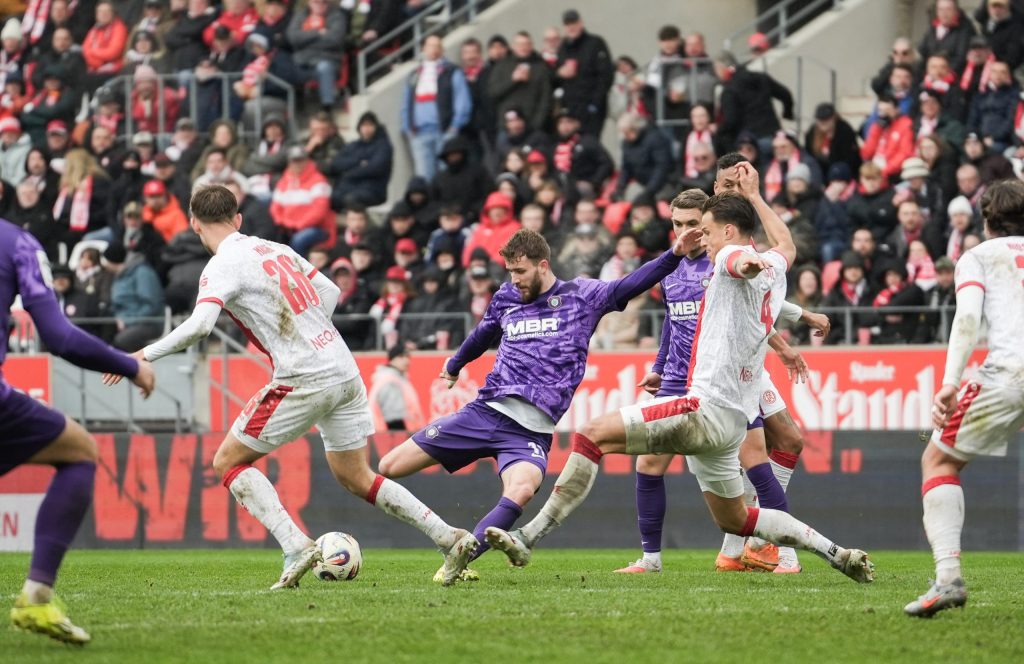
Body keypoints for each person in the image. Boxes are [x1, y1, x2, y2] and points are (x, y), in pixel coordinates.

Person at [484, 165, 874, 585]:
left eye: (706, 230)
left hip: (702, 407)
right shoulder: (774, 267)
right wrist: (756, 200)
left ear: (727, 231)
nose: (701, 239)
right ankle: (837, 554)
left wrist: (746, 260)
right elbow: (786, 244)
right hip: (730, 421)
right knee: (738, 519)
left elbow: (739, 260)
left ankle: (528, 536)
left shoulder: (726, 259)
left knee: (590, 435)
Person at [104, 185, 479, 587]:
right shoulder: (275, 248)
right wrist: (312, 334)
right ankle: (449, 536)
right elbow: (330, 291)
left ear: (194, 223)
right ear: (238, 219)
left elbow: (200, 326)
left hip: (304, 375)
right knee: (356, 476)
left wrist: (142, 355)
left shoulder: (221, 265)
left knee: (227, 462)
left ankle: (295, 545)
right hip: (343, 367)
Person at [377, 226, 699, 582]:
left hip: (531, 431)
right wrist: (455, 364)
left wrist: (674, 254)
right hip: (486, 412)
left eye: (520, 271)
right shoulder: (506, 297)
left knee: (523, 489)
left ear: (543, 265)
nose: (513, 279)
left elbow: (631, 284)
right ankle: (446, 535)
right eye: (510, 271)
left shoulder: (582, 296)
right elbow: (483, 333)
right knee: (390, 465)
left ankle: (460, 557)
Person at [1, 219, 154, 645]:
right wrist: (129, 365)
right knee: (79, 450)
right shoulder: (17, 243)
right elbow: (59, 337)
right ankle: (36, 597)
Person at [905, 178, 1024, 617]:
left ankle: (948, 579)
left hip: (1010, 372)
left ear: (986, 220)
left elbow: (968, 319)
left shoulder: (978, 256)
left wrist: (950, 381)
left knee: (938, 461)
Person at [401, 34, 472, 181]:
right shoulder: (415, 74)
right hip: (419, 134)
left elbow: (462, 101)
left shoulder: (451, 71)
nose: (434, 49)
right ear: (423, 49)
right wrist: (408, 129)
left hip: (444, 132)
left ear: (442, 49)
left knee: (447, 176)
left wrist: (454, 127)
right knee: (424, 178)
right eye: (430, 46)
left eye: (437, 46)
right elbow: (406, 104)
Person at [555, 10, 614, 136]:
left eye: (574, 23)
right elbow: (555, 78)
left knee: (589, 142)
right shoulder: (563, 48)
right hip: (571, 108)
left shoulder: (595, 43)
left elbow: (605, 75)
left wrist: (595, 104)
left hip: (591, 106)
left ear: (581, 23)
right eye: (567, 24)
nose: (571, 27)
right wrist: (559, 74)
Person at [269, 145, 334, 258]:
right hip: (288, 227)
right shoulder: (284, 181)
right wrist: (282, 223)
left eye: (300, 160)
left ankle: (297, 268)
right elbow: (275, 208)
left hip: (317, 228)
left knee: (299, 240)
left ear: (306, 160)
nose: (297, 164)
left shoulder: (318, 180)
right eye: (294, 160)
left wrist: (298, 225)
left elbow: (319, 212)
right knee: (270, 236)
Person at [103, 243, 165, 352]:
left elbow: (151, 305)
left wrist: (127, 321)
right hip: (123, 321)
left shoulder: (143, 272)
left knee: (121, 340)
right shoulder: (119, 275)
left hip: (148, 323)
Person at [286, 0, 345, 112]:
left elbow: (334, 40)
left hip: (327, 58)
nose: (320, 5)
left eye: (324, 2)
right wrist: (317, 32)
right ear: (309, 3)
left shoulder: (336, 16)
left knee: (324, 67)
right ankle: (294, 105)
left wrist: (305, 41)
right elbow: (293, 38)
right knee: (285, 67)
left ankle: (327, 106)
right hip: (302, 60)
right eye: (316, 2)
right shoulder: (301, 16)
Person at [370, 345, 423, 431]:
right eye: (401, 356)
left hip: (390, 436)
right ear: (392, 359)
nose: (406, 360)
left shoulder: (394, 379)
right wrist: (403, 438)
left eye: (408, 357)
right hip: (392, 436)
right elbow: (394, 420)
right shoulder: (390, 381)